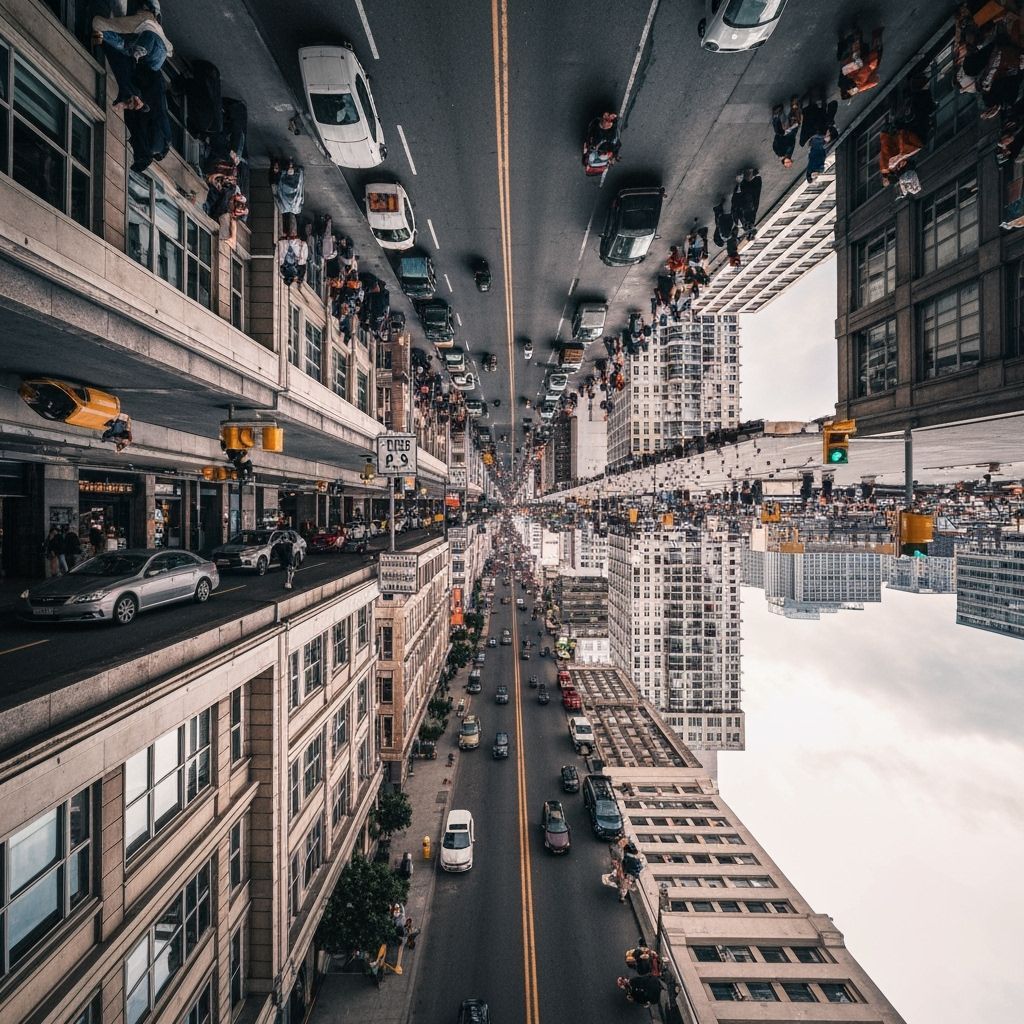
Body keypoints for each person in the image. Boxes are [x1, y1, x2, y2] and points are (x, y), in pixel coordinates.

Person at [770, 97, 801, 166]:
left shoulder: (780, 153)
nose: (788, 162)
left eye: (786, 163)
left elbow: (775, 145)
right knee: (795, 121)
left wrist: (779, 137)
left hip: (784, 135)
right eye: (789, 162)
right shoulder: (789, 154)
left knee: (784, 123)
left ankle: (777, 113)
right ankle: (794, 105)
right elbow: (792, 144)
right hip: (791, 134)